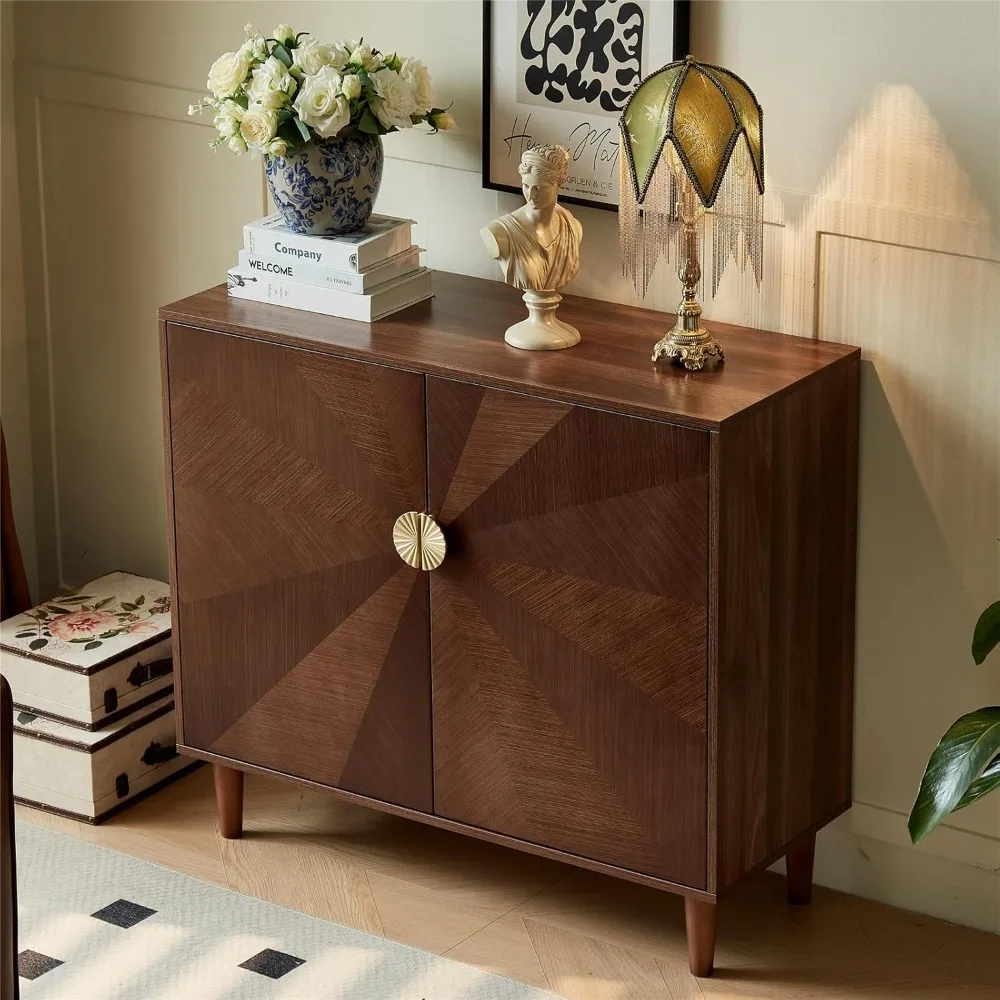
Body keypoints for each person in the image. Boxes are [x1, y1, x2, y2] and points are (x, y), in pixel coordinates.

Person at [481, 145, 582, 292]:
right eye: (526, 186)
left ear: (558, 185)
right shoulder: (499, 233)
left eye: (539, 188)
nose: (531, 195)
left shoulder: (572, 228)